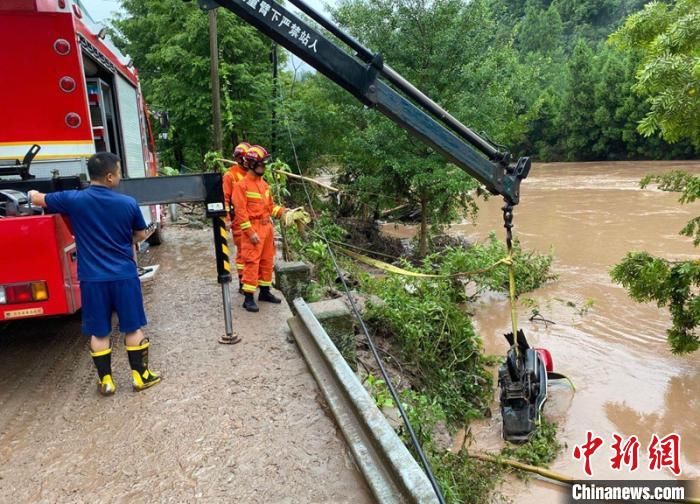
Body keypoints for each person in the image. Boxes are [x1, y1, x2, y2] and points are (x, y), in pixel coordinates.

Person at [27, 152, 161, 396]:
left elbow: (38, 199)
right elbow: (141, 235)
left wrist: (30, 194)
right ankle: (141, 377)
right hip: (123, 276)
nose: (120, 176)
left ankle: (106, 381)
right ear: (110, 177)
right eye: (119, 172)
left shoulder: (74, 199)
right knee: (133, 328)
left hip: (92, 278)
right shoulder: (127, 203)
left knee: (99, 331)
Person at [232, 145, 288, 312]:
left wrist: (285, 213)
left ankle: (265, 291)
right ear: (251, 164)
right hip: (254, 229)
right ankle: (248, 297)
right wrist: (250, 232)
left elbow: (270, 207)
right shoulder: (241, 186)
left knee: (267, 260)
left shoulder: (263, 185)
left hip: (266, 227)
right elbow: (241, 213)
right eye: (261, 164)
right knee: (251, 262)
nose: (264, 167)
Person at [222, 142, 250, 293]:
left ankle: (252, 279)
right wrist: (226, 219)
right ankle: (242, 281)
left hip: (253, 218)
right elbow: (225, 199)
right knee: (242, 251)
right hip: (238, 219)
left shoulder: (251, 174)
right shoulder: (230, 175)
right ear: (240, 159)